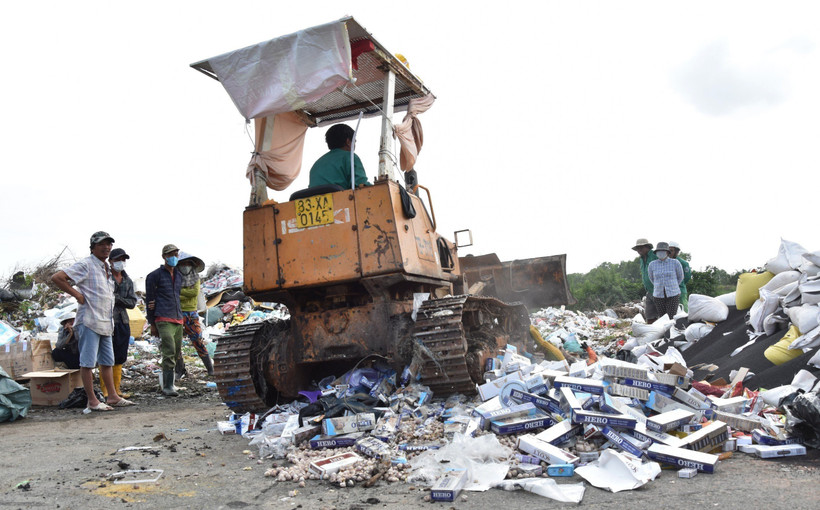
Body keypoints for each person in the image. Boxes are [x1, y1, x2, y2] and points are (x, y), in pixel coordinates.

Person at [51, 231, 135, 410]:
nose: (106, 247)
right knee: (88, 363)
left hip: (105, 321)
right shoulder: (86, 264)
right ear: (93, 247)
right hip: (89, 320)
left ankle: (112, 396)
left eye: (109, 244)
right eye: (102, 244)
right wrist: (78, 296)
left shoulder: (105, 267)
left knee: (107, 361)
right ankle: (92, 401)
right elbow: (58, 277)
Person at [145, 244, 184, 396]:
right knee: (169, 350)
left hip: (178, 318)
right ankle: (167, 386)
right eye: (170, 254)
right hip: (163, 317)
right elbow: (150, 300)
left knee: (176, 352)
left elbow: (177, 297)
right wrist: (152, 323)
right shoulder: (154, 275)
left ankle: (170, 383)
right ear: (164, 257)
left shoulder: (179, 276)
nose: (173, 257)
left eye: (175, 254)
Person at [100, 248, 137, 399]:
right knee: (107, 357)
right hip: (107, 320)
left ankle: (117, 390)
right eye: (117, 260)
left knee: (120, 356)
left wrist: (116, 298)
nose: (121, 262)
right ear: (111, 261)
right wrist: (119, 299)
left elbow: (133, 302)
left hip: (123, 321)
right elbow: (104, 297)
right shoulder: (105, 278)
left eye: (123, 259)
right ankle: (106, 391)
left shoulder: (128, 281)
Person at [176, 252, 213, 377]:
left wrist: (177, 293)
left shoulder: (195, 278)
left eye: (187, 264)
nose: (185, 266)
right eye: (183, 264)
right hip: (177, 313)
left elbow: (193, 293)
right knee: (176, 343)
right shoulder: (174, 277)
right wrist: (181, 293)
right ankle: (180, 369)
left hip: (191, 313)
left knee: (197, 340)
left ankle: (210, 368)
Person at [308, 124, 369, 189]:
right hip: (342, 198)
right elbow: (361, 185)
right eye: (354, 141)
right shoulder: (350, 157)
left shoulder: (316, 165)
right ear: (348, 142)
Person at [648, 242, 684, 319]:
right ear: (656, 253)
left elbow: (680, 277)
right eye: (659, 251)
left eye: (663, 251)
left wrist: (673, 285)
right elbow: (651, 278)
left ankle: (670, 330)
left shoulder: (675, 263)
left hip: (673, 294)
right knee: (662, 317)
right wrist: (659, 285)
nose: (661, 253)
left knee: (671, 317)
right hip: (658, 294)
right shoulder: (652, 265)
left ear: (667, 252)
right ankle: (664, 331)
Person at [632, 238, 659, 323]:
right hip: (649, 291)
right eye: (637, 248)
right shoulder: (641, 259)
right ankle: (653, 332)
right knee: (650, 315)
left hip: (659, 290)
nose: (639, 250)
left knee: (663, 315)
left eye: (641, 248)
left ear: (647, 247)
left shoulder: (655, 255)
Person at [668, 241, 692, 312]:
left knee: (683, 309)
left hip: (680, 290)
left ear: (676, 252)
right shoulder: (665, 263)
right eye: (668, 250)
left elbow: (687, 277)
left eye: (671, 251)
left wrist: (679, 284)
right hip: (669, 291)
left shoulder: (683, 263)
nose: (669, 253)